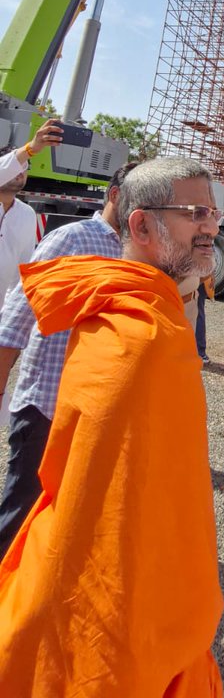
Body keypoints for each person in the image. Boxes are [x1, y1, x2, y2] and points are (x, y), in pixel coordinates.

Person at [0, 157, 224, 697]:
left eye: (213, 212)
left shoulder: (144, 305)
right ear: (142, 225)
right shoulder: (140, 333)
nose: (213, 226)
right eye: (195, 213)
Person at [0, 163, 135, 558]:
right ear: (115, 196)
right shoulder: (73, 240)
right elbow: (16, 319)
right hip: (47, 401)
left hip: (94, 408)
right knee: (23, 506)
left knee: (72, 507)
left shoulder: (135, 253)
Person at [0, 118, 63, 307]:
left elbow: (22, 271)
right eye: (17, 164)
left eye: (25, 167)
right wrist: (30, 150)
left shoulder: (26, 214)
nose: (21, 170)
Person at [196, 273, 215, 364]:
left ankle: (199, 352)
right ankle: (200, 352)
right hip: (203, 276)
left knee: (196, 313)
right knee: (198, 313)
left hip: (193, 274)